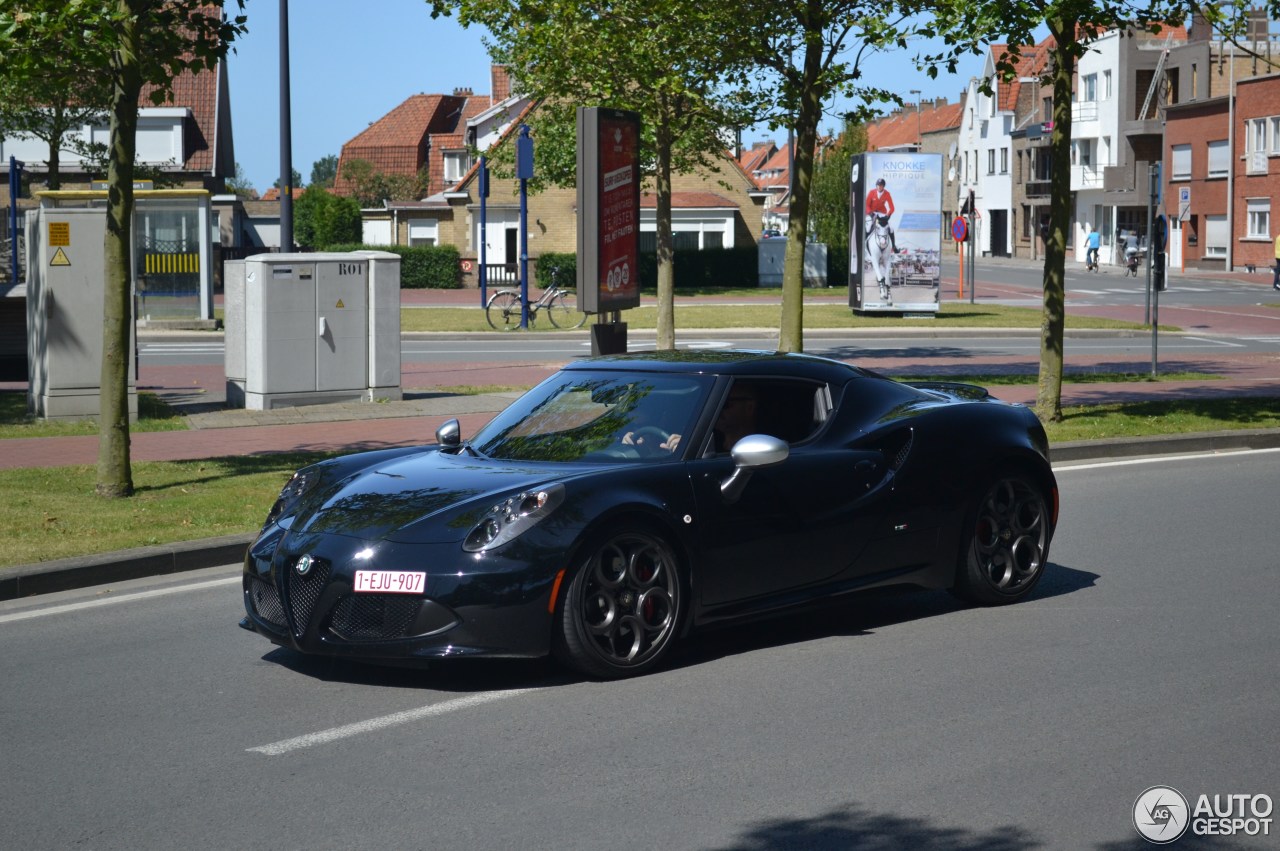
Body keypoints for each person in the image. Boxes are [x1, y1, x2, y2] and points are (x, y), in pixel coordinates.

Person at [713, 383, 759, 453]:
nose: (717, 410)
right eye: (715, 404)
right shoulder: (703, 441)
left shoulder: (761, 444)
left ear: (750, 407)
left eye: (724, 404)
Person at [864, 177, 898, 253]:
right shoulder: (871, 192)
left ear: (883, 186)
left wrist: (888, 216)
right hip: (871, 212)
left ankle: (894, 246)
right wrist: (870, 213)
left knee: (891, 228)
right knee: (869, 226)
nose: (879, 187)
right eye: (878, 185)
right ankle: (863, 244)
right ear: (876, 186)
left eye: (881, 185)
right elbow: (866, 204)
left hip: (881, 213)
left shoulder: (887, 194)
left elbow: (892, 207)